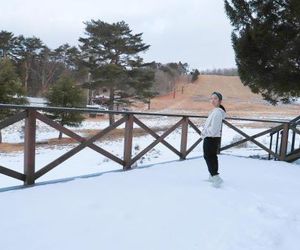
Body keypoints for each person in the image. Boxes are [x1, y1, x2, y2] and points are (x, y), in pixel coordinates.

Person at [201, 91, 226, 187]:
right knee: (212, 156)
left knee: (208, 156)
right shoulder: (215, 111)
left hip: (211, 137)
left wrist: (204, 132)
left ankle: (216, 177)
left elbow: (214, 129)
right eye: (211, 98)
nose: (213, 100)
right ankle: (212, 175)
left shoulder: (217, 113)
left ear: (220, 100)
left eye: (215, 98)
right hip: (212, 137)